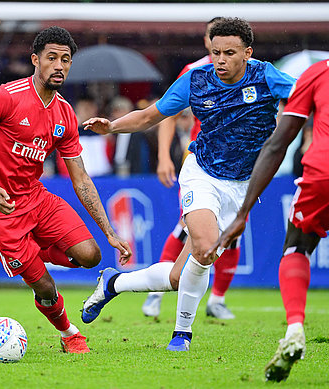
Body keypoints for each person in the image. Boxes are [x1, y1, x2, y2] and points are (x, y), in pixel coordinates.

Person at [80, 17, 295, 351]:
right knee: (206, 248)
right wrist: (112, 127)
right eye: (215, 52)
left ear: (247, 53)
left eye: (229, 53)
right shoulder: (196, 80)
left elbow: (308, 96)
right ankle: (182, 333)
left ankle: (114, 282)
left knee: (181, 276)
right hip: (201, 173)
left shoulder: (266, 76)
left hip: (242, 186)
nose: (220, 60)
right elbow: (150, 116)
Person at [0, 26, 131, 354]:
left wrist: (109, 232)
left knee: (90, 256)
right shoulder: (3, 98)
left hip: (35, 196)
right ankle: (68, 333)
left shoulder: (65, 112)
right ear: (36, 60)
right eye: (51, 58)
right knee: (45, 286)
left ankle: (37, 254)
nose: (59, 65)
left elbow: (80, 179)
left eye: (65, 59)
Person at [207, 60, 329, 381]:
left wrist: (243, 212)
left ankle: (294, 329)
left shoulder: (317, 73)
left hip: (323, 171)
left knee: (297, 247)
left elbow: (278, 143)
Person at [143, 17, 242, 320]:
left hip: (237, 166)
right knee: (188, 229)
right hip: (200, 162)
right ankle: (156, 292)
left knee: (233, 232)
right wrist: (163, 156)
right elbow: (167, 113)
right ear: (207, 42)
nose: (221, 53)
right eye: (215, 43)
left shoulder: (250, 72)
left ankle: (217, 300)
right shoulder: (194, 71)